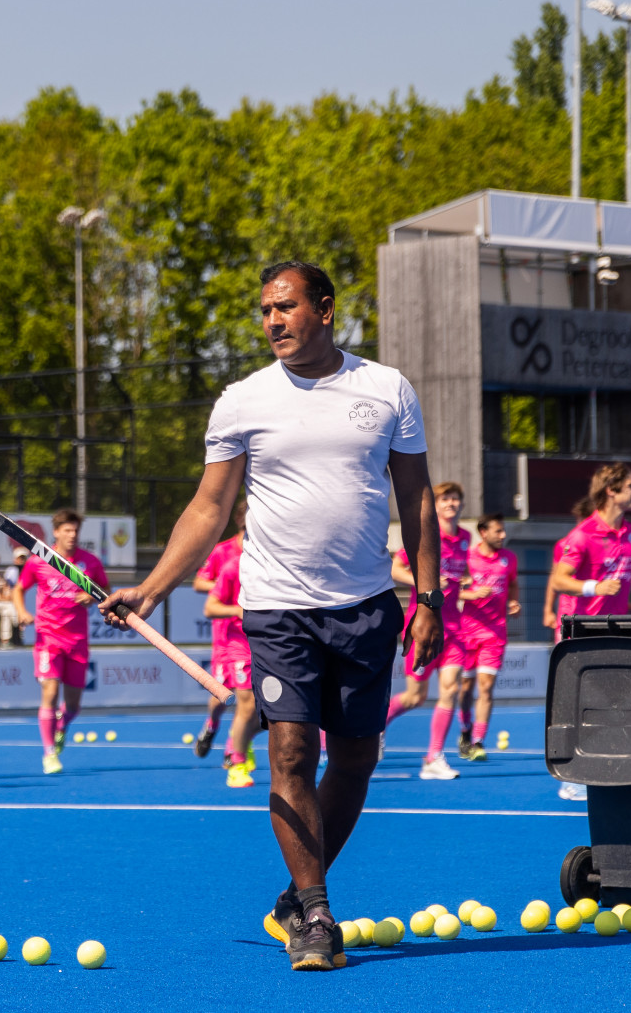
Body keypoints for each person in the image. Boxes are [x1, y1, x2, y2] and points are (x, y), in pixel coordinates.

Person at [104, 260, 441, 972]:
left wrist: (430, 598)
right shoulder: (242, 400)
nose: (272, 321)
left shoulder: (387, 389)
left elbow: (415, 498)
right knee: (291, 752)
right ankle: (317, 914)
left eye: (285, 307)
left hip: (365, 607)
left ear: (325, 309)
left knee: (357, 758)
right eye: (265, 310)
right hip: (277, 608)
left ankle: (294, 895)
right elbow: (209, 508)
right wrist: (153, 589)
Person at [546, 465, 631, 801]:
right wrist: (594, 587)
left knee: (612, 703)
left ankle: (604, 769)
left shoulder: (630, 532)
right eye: (630, 486)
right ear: (611, 491)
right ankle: (571, 777)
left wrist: (625, 604)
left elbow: (617, 579)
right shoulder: (582, 535)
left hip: (614, 629)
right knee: (577, 705)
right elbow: (560, 580)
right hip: (579, 630)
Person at [388, 481, 478, 780]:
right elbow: (395, 570)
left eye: (455, 499)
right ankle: (374, 731)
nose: (451, 503)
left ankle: (433, 758)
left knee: (451, 688)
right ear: (436, 506)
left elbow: (457, 574)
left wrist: (466, 584)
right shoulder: (426, 534)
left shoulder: (465, 538)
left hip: (455, 629)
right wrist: (427, 583)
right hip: (423, 625)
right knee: (415, 697)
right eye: (445, 499)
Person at [14, 509, 109, 774]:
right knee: (50, 692)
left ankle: (61, 726)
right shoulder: (40, 560)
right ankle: (49, 754)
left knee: (74, 705)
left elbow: (106, 591)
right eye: (67, 530)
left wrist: (93, 596)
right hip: (48, 638)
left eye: (75, 530)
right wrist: (21, 611)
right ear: (56, 532)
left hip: (78, 641)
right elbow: (19, 589)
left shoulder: (90, 562)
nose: (72, 535)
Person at [456, 513, 520, 761]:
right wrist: (471, 594)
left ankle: (478, 741)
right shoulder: (467, 557)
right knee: (465, 689)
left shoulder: (509, 558)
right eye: (498, 531)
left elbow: (512, 584)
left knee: (486, 687)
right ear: (483, 532)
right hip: (466, 632)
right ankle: (465, 731)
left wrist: (513, 601)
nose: (503, 535)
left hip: (495, 633)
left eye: (503, 531)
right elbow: (450, 589)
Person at [199, 526, 259, 787]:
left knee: (269, 711)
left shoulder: (277, 565)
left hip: (266, 643)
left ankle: (239, 740)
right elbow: (208, 603)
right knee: (231, 699)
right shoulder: (232, 564)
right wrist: (236, 609)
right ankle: (235, 759)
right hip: (233, 642)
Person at [189, 502, 247, 760]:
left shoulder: (266, 553)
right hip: (226, 635)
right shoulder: (223, 552)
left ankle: (232, 749)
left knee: (247, 697)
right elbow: (199, 583)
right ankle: (212, 725)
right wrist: (224, 583)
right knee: (222, 694)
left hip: (253, 637)